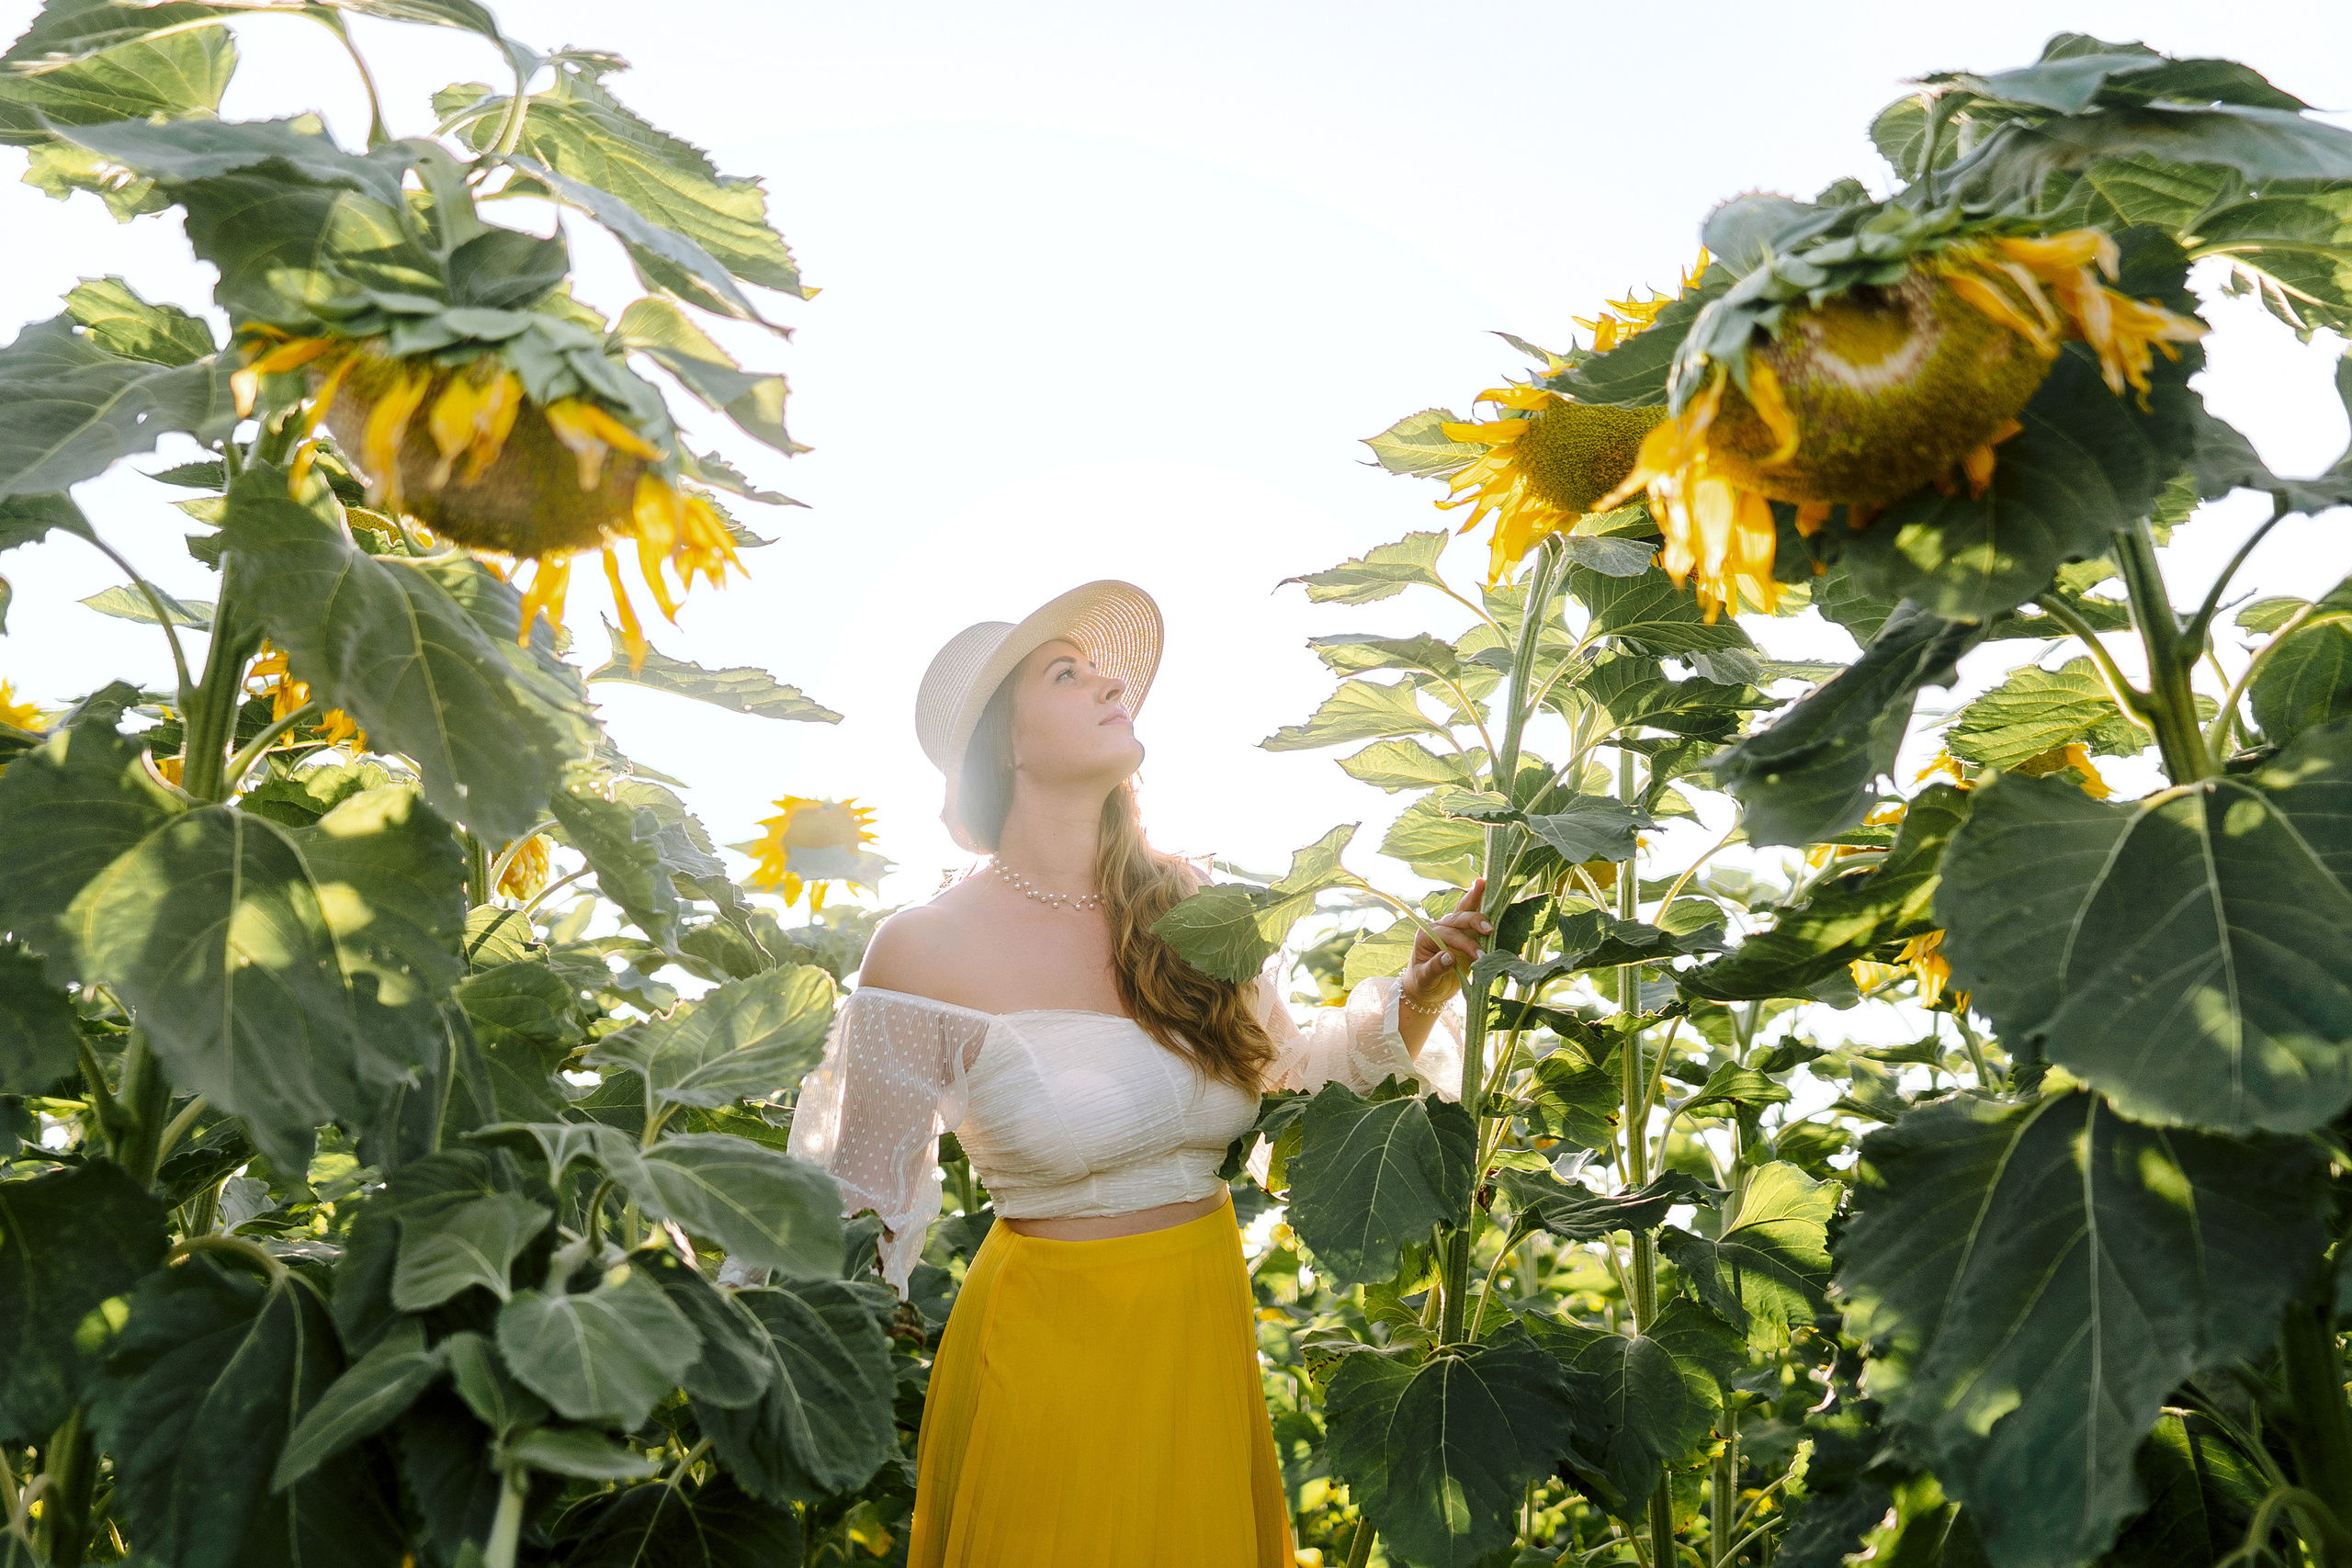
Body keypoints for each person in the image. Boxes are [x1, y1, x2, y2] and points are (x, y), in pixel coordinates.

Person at [783, 581, 1486, 1566]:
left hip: (1198, 1327)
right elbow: (856, 1196)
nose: (1110, 681)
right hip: (1042, 1348)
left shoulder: (1190, 905)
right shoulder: (923, 948)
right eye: (1066, 674)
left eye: (1098, 666)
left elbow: (1293, 1070)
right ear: (1009, 746)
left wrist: (1416, 991)